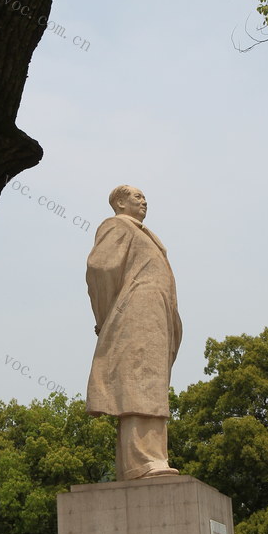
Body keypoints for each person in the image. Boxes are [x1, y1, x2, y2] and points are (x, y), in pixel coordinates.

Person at [85, 185, 183, 480]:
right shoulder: (116, 226)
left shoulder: (145, 234)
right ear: (119, 202)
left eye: (145, 198)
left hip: (154, 314)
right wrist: (107, 317)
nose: (144, 202)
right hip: (135, 312)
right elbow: (100, 269)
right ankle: (142, 461)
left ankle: (153, 457)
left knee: (151, 383)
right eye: (137, 198)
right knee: (138, 381)